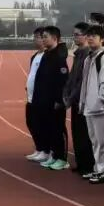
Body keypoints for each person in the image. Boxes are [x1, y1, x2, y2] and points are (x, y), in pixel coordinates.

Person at [31, 26, 70, 170]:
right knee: (50, 129)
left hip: (55, 102)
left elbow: (63, 81)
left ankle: (62, 158)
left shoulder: (59, 56)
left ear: (54, 38)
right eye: (42, 37)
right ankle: (53, 155)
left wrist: (59, 100)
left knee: (58, 130)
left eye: (45, 37)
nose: (43, 39)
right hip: (45, 101)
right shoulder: (47, 55)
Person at [80, 25, 104, 184]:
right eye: (88, 36)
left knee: (103, 141)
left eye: (94, 36)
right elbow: (85, 83)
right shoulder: (89, 58)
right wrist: (83, 102)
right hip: (89, 106)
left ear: (102, 39)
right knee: (94, 140)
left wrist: (101, 102)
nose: (90, 38)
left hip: (100, 108)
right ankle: (98, 167)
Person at [63, 22, 95, 176]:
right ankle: (81, 163)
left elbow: (82, 81)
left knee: (84, 135)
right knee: (76, 133)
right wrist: (66, 93)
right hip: (75, 100)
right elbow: (72, 77)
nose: (74, 37)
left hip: (83, 101)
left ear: (86, 36)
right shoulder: (78, 53)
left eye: (77, 35)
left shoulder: (88, 54)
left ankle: (88, 165)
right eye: (74, 34)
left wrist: (70, 98)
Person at [24, 28, 49, 161]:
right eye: (34, 37)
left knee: (41, 125)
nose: (35, 40)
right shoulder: (34, 56)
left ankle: (46, 150)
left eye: (38, 37)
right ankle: (39, 148)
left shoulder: (47, 56)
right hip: (31, 96)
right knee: (31, 123)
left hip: (41, 97)